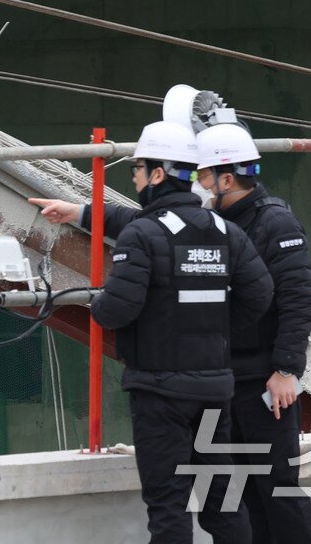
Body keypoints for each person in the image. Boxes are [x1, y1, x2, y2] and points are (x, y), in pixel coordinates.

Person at [34, 120, 273, 543]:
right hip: (215, 391)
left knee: (168, 508)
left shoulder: (142, 234)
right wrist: (214, 330)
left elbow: (116, 310)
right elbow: (259, 294)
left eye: (138, 168)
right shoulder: (223, 230)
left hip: (162, 395)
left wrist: (96, 299)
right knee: (224, 503)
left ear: (158, 174)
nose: (135, 176)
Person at [195, 121, 311, 544]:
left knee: (278, 487)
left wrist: (286, 369)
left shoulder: (275, 224)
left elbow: (298, 302)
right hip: (226, 378)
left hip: (266, 381)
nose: (197, 184)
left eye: (202, 175)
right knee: (242, 492)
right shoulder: (215, 222)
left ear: (226, 178)